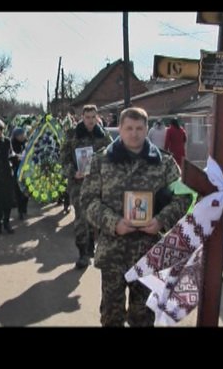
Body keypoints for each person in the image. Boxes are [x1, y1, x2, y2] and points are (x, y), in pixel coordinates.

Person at [81, 107, 191, 326]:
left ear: (146, 129)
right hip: (113, 251)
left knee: (143, 317)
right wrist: (114, 223)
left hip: (148, 254)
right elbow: (88, 200)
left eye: (139, 128)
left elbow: (184, 197)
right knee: (111, 316)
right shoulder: (101, 161)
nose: (134, 133)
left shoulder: (165, 163)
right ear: (119, 129)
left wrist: (161, 220)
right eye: (129, 128)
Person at [61, 105, 111, 269]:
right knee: (82, 217)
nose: (90, 121)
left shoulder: (103, 135)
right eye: (87, 117)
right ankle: (83, 252)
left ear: (97, 117)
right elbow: (63, 159)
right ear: (82, 117)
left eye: (93, 117)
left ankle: (91, 246)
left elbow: (111, 156)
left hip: (98, 183)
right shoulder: (72, 134)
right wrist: (73, 172)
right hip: (78, 184)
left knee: (95, 217)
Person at [9, 127, 29, 220]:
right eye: (19, 135)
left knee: (26, 191)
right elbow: (10, 156)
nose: (21, 136)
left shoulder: (26, 143)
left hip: (26, 170)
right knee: (18, 192)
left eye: (23, 134)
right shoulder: (12, 144)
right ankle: (20, 211)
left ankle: (24, 208)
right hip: (16, 170)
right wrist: (17, 158)